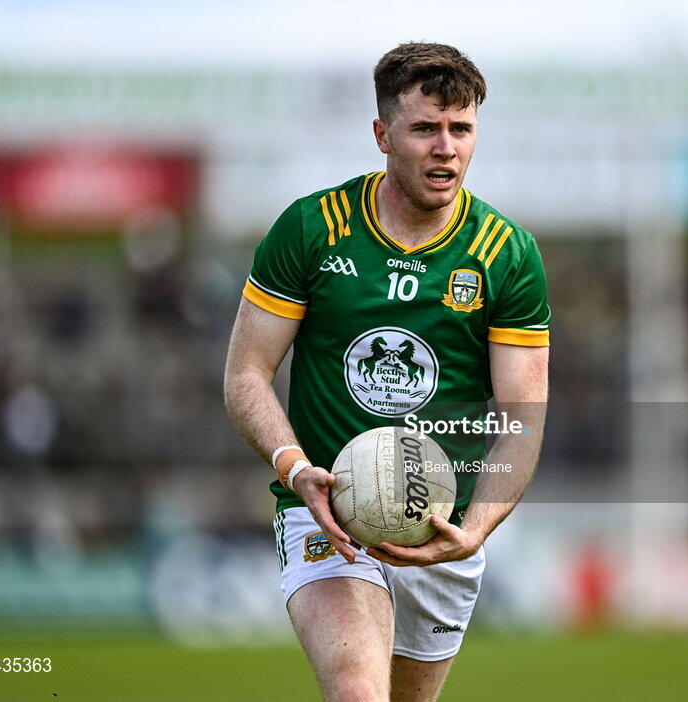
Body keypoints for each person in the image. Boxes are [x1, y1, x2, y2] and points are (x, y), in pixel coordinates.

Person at [224, 41, 549, 702]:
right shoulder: (312, 230)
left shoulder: (507, 255)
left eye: (461, 129)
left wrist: (475, 528)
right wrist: (295, 468)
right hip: (327, 514)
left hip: (439, 526)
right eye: (426, 128)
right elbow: (246, 376)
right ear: (382, 134)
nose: (446, 147)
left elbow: (522, 413)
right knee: (358, 694)